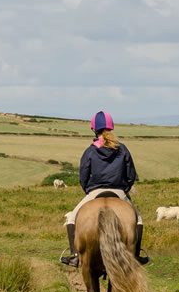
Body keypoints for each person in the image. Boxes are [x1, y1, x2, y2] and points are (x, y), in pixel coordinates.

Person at [60, 111, 149, 267]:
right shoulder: (122, 149)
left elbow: (83, 176)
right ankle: (135, 256)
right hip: (119, 192)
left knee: (71, 218)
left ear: (94, 129)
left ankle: (75, 256)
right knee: (139, 220)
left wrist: (89, 190)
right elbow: (131, 174)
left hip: (94, 191)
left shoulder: (90, 150)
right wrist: (125, 190)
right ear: (111, 128)